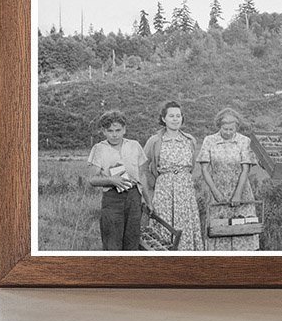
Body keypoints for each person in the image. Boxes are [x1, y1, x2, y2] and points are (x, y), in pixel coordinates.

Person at [87, 109, 151, 251]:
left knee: (132, 240)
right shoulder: (99, 149)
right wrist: (111, 180)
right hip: (112, 199)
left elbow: (142, 176)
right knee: (112, 243)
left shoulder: (134, 146)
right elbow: (92, 179)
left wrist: (148, 201)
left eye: (118, 130)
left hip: (134, 197)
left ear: (124, 130)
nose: (114, 134)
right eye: (110, 131)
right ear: (104, 131)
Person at [198, 107, 259, 251]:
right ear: (219, 126)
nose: (228, 132)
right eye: (225, 129)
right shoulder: (209, 140)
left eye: (231, 129)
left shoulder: (244, 141)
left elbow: (246, 169)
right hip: (217, 191)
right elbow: (204, 169)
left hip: (241, 190)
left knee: (242, 229)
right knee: (219, 230)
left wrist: (238, 194)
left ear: (237, 127)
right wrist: (215, 192)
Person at [145, 100, 204, 251]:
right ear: (164, 118)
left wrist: (182, 180)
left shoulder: (189, 140)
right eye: (171, 116)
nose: (175, 119)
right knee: (164, 225)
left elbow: (191, 167)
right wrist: (155, 184)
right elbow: (144, 167)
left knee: (185, 226)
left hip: (185, 190)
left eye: (178, 116)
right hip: (164, 189)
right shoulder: (155, 140)